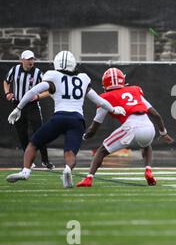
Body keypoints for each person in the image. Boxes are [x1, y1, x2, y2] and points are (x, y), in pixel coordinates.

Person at [6, 51, 126, 188]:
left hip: (59, 117)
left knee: (33, 143)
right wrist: (114, 109)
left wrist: (18, 108)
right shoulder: (83, 78)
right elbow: (99, 100)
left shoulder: (53, 76)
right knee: (70, 152)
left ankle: (26, 171)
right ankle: (68, 169)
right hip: (77, 120)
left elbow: (33, 91)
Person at [76, 68, 174, 187]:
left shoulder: (105, 97)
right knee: (146, 144)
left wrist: (84, 137)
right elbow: (156, 115)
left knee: (102, 150)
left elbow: (95, 127)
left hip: (131, 127)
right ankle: (148, 169)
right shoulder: (134, 90)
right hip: (149, 126)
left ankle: (89, 178)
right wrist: (163, 133)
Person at [3, 50, 54, 169]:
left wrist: (38, 96)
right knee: (22, 134)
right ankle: (29, 162)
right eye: (28, 59)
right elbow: (6, 81)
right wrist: (8, 93)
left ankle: (45, 160)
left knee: (39, 132)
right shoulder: (14, 70)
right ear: (22, 60)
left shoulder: (38, 73)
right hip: (18, 105)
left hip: (33, 106)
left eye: (32, 59)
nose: (31, 62)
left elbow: (50, 90)